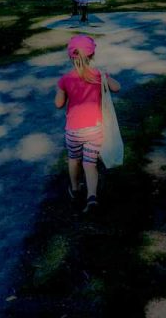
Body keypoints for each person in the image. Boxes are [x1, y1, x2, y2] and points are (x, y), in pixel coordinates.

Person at [55, 34, 121, 212]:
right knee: (90, 164)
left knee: (74, 160)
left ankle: (75, 189)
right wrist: (104, 75)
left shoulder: (65, 79)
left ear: (71, 56)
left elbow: (58, 104)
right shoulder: (99, 75)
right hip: (95, 129)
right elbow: (117, 87)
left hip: (73, 131)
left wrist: (63, 91)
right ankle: (91, 197)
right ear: (92, 56)